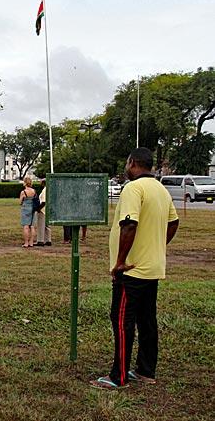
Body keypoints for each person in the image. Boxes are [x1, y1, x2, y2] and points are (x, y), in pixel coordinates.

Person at [90, 148, 179, 390]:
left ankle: (118, 376)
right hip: (152, 268)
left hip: (132, 271)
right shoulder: (160, 189)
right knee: (147, 319)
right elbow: (174, 222)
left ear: (131, 163)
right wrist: (157, 245)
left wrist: (119, 261)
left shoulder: (133, 188)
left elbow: (129, 224)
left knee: (122, 320)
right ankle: (145, 370)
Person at [19, 177, 36, 247]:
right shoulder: (33, 191)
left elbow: (20, 202)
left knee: (26, 226)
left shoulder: (23, 192)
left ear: (25, 183)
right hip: (32, 208)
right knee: (32, 226)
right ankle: (31, 242)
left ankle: (26, 242)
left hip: (25, 208)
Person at [34, 178, 52, 246]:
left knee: (41, 225)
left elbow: (44, 201)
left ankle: (40, 240)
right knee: (47, 225)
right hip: (48, 209)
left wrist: (39, 208)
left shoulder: (45, 190)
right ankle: (48, 240)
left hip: (43, 210)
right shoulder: (49, 189)